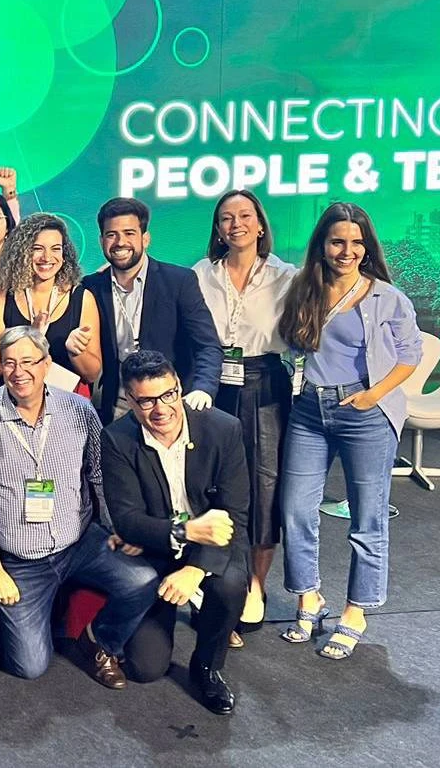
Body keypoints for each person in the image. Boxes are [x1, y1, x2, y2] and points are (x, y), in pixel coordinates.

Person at [0, 325, 157, 686]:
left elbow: (100, 476)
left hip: (79, 542)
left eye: (29, 361)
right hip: (21, 558)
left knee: (143, 579)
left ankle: (100, 642)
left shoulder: (79, 410)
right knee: (29, 666)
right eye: (9, 363)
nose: (19, 372)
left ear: (46, 364)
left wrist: (117, 529)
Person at [276, 202, 421, 660]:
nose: (347, 251)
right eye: (338, 241)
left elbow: (410, 355)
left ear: (367, 247)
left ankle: (355, 611)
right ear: (322, 244)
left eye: (356, 243)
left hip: (365, 411)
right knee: (295, 511)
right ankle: (309, 598)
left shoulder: (386, 297)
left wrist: (373, 396)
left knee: (367, 517)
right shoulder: (305, 288)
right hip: (309, 409)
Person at [102, 351, 250, 714]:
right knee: (146, 668)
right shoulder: (117, 438)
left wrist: (196, 569)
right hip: (156, 548)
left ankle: (207, 666)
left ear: (179, 387)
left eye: (168, 395)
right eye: (146, 401)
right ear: (130, 400)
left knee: (230, 583)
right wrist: (185, 531)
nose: (161, 409)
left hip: (213, 543)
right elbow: (127, 520)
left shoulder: (224, 429)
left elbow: (235, 514)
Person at [191, 189, 297, 638]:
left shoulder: (286, 277)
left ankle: (255, 583)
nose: (236, 224)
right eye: (226, 218)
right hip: (213, 385)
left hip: (264, 383)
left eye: (244, 216)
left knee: (264, 484)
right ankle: (213, 579)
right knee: (210, 482)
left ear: (260, 224)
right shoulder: (201, 274)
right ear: (217, 229)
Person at [82, 197, 222, 423]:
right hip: (117, 408)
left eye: (129, 233)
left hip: (168, 405)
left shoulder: (179, 281)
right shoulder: (91, 286)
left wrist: (203, 389)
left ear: (145, 238)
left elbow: (207, 345)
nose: (120, 242)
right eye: (111, 235)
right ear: (101, 241)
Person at [0, 212, 101, 393]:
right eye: (37, 248)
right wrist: (29, 339)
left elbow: (92, 374)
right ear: (22, 252)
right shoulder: (2, 296)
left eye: (56, 249)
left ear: (64, 254)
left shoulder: (82, 298)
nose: (47, 257)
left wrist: (76, 352)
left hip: (65, 402)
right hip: (15, 401)